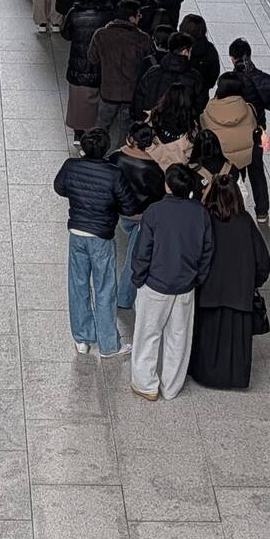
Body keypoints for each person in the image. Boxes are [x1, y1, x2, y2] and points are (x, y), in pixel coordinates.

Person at [130, 163, 213, 401]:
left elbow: (143, 250)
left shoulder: (154, 212)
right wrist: (198, 278)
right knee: (179, 337)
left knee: (148, 334)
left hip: (155, 284)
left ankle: (145, 384)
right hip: (185, 286)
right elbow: (207, 251)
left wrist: (138, 277)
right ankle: (171, 386)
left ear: (167, 186)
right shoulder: (200, 213)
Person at [53, 129, 138, 357]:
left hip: (77, 235)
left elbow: (59, 187)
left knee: (78, 286)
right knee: (104, 289)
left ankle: (82, 339)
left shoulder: (71, 166)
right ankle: (109, 345)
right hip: (101, 237)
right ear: (105, 149)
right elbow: (129, 206)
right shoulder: (114, 174)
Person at [190, 172, 270, 391]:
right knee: (235, 341)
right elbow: (263, 261)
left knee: (208, 336)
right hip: (239, 295)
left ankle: (205, 374)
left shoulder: (205, 219)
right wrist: (252, 282)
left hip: (209, 291)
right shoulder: (245, 222)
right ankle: (233, 378)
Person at [221, 40, 270, 223]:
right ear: (249, 55)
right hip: (256, 131)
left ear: (232, 58)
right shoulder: (263, 78)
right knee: (257, 171)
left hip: (234, 134)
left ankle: (235, 208)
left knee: (234, 171)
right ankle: (262, 212)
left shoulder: (229, 81)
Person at [108, 121, 165, 310]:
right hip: (142, 217)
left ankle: (121, 297)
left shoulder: (116, 158)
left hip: (120, 213)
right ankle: (124, 297)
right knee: (133, 259)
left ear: (131, 139)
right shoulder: (157, 167)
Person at [88, 0, 153, 150]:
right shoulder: (143, 38)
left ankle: (94, 150)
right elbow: (148, 63)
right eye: (138, 15)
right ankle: (121, 154)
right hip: (131, 94)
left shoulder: (101, 34)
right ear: (131, 18)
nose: (140, 18)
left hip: (108, 91)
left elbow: (92, 58)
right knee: (126, 128)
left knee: (101, 124)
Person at [60, 0, 110, 137]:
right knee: (97, 101)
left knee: (78, 101)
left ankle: (78, 132)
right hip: (99, 65)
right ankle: (94, 132)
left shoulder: (74, 12)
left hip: (78, 65)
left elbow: (65, 34)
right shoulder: (107, 15)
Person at [200, 77, 260, 204]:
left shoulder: (208, 111)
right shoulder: (249, 109)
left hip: (221, 161)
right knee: (238, 180)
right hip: (243, 160)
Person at [133, 31, 206, 121]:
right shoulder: (195, 77)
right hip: (180, 127)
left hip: (153, 123)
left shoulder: (153, 72)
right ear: (185, 51)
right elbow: (200, 104)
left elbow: (139, 97)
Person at [145, 82, 201, 171]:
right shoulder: (191, 124)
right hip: (175, 171)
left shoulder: (155, 115)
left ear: (166, 97)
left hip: (152, 164)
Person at [180, 13, 221, 99]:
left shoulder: (176, 45)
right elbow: (213, 75)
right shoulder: (210, 49)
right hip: (200, 95)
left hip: (177, 93)